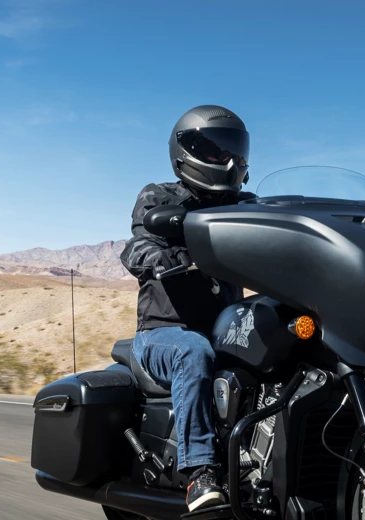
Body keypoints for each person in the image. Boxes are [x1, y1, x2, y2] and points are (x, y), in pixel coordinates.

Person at [119, 105, 253, 512]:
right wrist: (158, 260)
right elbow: (137, 245)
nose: (226, 160)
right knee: (194, 353)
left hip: (227, 328)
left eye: (232, 150)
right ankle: (200, 474)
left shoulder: (245, 205)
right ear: (186, 151)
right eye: (213, 151)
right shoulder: (159, 197)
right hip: (164, 333)